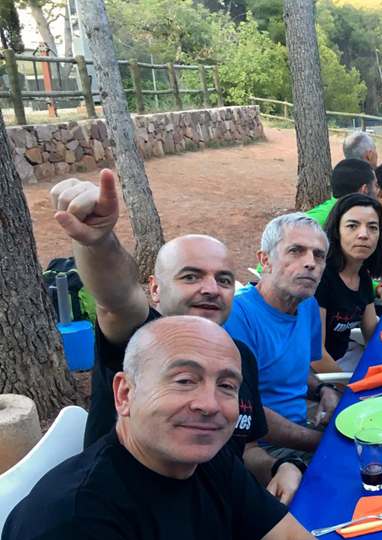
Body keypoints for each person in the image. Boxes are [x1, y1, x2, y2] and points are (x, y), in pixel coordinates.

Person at [0, 315, 378, 540]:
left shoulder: (208, 463)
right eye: (184, 381)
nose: (209, 404)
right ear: (125, 394)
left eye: (227, 386)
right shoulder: (73, 524)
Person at [48, 170, 304, 504]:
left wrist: (280, 466)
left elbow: (245, 449)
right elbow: (116, 299)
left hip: (218, 515)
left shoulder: (237, 357)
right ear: (155, 289)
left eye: (224, 280)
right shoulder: (141, 339)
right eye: (191, 276)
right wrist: (98, 241)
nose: (211, 289)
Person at [225, 213, 337, 463]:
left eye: (319, 255)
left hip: (303, 428)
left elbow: (297, 369)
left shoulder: (307, 305)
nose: (310, 263)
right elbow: (241, 408)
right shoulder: (237, 316)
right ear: (265, 260)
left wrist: (323, 389)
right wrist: (321, 442)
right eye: (296, 251)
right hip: (262, 449)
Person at [315, 194, 382, 373]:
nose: (363, 235)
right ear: (336, 231)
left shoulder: (362, 275)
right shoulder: (320, 279)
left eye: (372, 227)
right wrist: (349, 385)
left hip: (345, 359)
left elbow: (371, 333)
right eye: (352, 226)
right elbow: (316, 356)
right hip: (318, 376)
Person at [306, 159, 377, 227]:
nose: (378, 191)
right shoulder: (312, 223)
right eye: (376, 185)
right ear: (364, 189)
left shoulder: (317, 218)